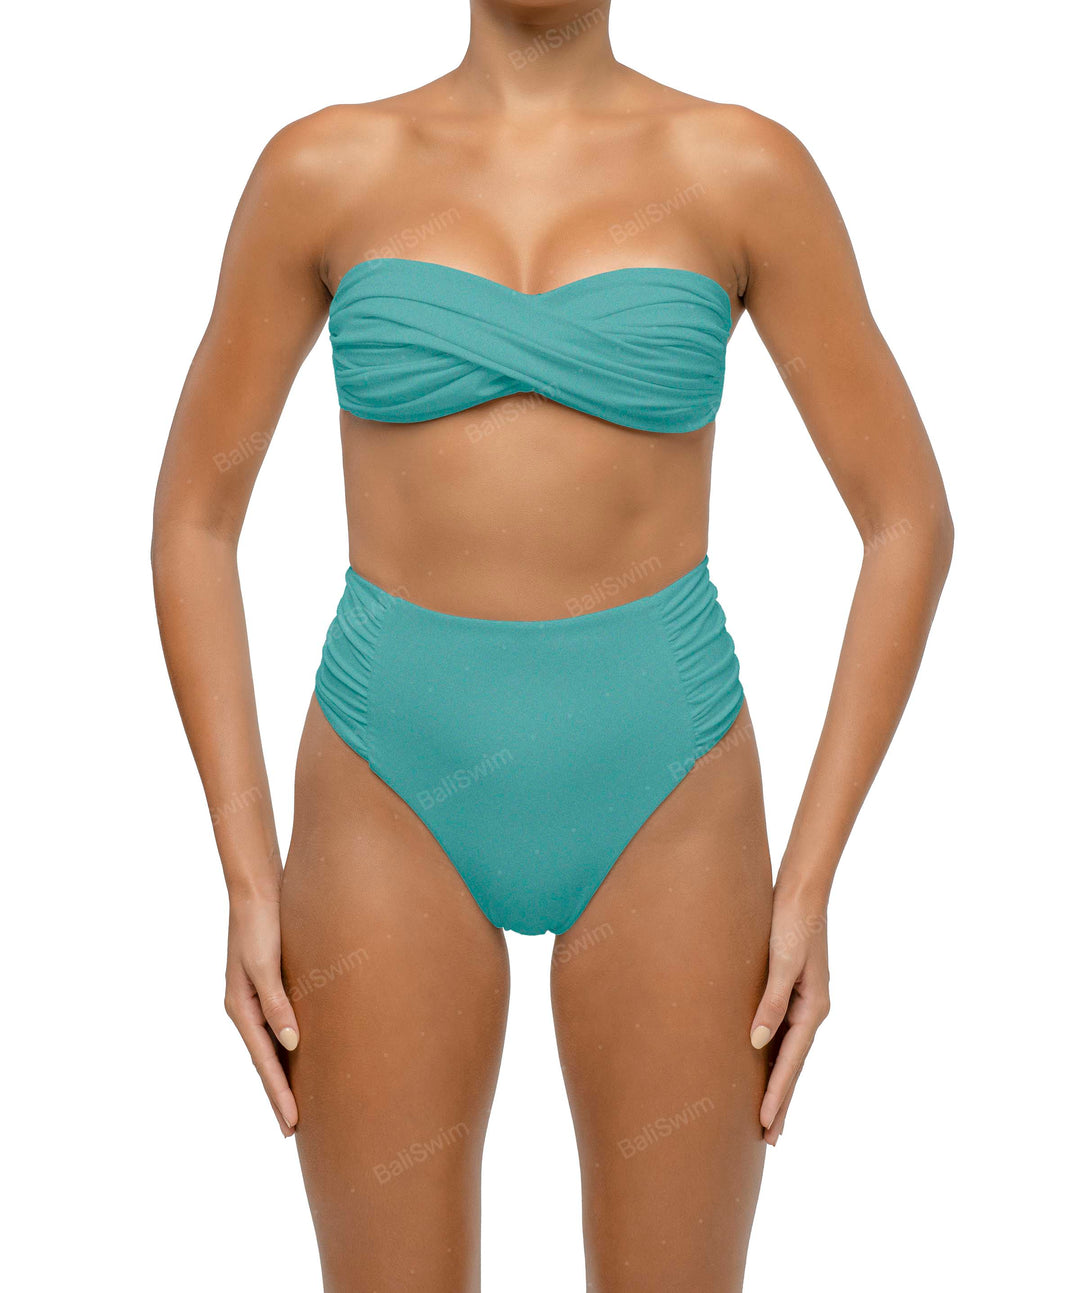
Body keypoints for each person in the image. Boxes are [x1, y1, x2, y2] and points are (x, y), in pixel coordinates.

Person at [152, 2, 953, 1288]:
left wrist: (809, 884)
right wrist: (246, 876)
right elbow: (195, 520)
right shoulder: (322, 169)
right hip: (386, 782)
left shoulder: (742, 168)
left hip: (668, 786)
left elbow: (907, 519)